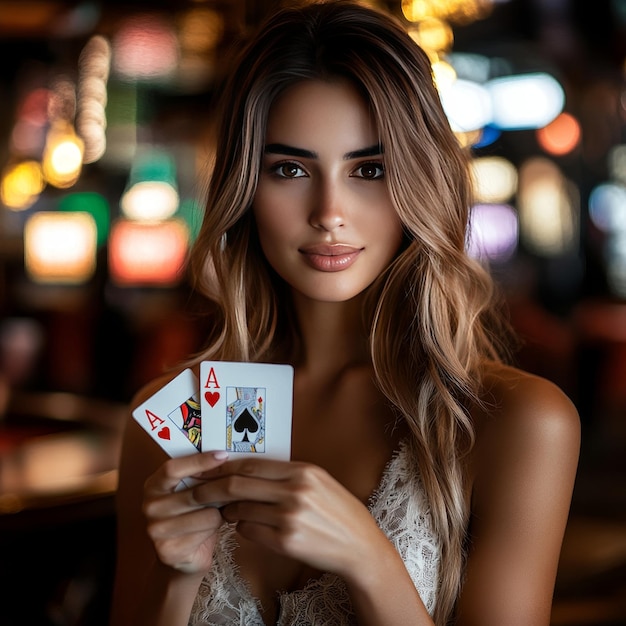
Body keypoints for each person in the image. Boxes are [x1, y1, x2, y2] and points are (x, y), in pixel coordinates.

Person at [109, 2, 581, 625]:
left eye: (370, 169)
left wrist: (370, 559)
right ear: (246, 188)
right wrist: (177, 577)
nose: (329, 210)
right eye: (290, 168)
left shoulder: (518, 423)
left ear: (422, 181)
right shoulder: (176, 417)